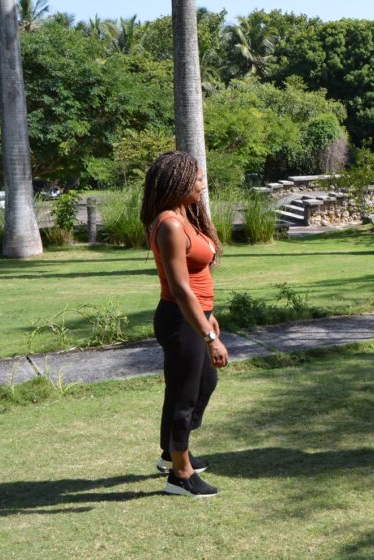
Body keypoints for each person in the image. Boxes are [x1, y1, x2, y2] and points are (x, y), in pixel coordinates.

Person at [141, 151, 229, 498]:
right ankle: (180, 473)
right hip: (180, 320)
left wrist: (208, 314)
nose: (202, 185)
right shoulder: (171, 225)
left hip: (194, 316)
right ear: (178, 183)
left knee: (204, 383)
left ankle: (172, 450)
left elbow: (198, 277)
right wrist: (208, 336)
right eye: (197, 180)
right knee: (184, 395)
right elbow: (179, 288)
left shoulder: (184, 217)